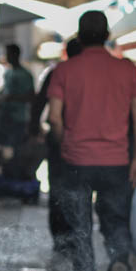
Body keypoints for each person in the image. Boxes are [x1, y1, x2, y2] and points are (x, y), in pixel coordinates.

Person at [48, 11, 136, 271]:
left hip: (77, 160)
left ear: (79, 36)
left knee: (80, 225)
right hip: (116, 161)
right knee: (115, 220)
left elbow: (54, 118)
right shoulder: (127, 70)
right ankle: (119, 264)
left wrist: (62, 143)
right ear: (107, 36)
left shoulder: (64, 71)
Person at [30, 38, 83, 256]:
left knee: (58, 189)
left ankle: (61, 237)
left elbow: (40, 103)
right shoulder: (87, 75)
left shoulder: (57, 73)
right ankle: (75, 235)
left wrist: (34, 128)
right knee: (79, 189)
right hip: (83, 141)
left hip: (60, 140)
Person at [0, 44, 35, 150]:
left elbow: (31, 97)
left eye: (8, 54)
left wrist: (11, 97)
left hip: (18, 119)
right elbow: (5, 90)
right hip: (5, 117)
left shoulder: (25, 74)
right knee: (2, 148)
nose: (7, 56)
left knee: (16, 149)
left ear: (16, 54)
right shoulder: (8, 72)